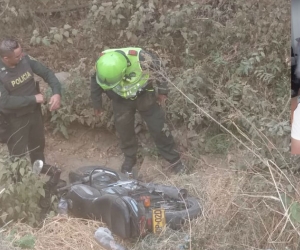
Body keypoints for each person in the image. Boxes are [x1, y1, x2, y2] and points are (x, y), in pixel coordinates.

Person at [90, 47, 185, 174]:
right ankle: (130, 158)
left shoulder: (140, 58)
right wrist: (97, 104)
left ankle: (174, 160)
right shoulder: (103, 63)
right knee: (124, 130)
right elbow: (96, 82)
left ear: (124, 71)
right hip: (121, 100)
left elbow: (159, 70)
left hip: (144, 95)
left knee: (158, 127)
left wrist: (163, 91)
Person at [0, 37, 61, 164]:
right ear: (6, 58)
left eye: (21, 52)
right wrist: (33, 98)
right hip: (15, 120)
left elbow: (47, 73)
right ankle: (20, 182)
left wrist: (56, 93)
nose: (21, 56)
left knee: (38, 147)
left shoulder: (25, 59)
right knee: (18, 155)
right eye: (17, 56)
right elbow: (5, 101)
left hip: (34, 113)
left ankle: (39, 175)